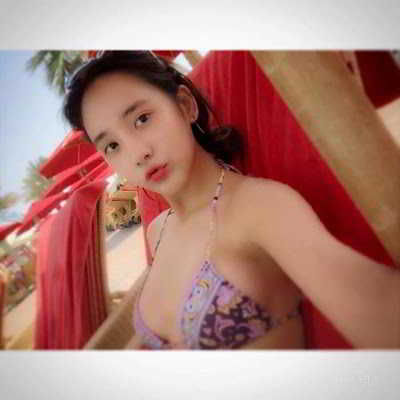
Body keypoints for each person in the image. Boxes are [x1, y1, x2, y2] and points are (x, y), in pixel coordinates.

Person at [63, 51, 399, 350]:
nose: (138, 153)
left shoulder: (257, 208)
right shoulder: (158, 231)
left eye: (142, 119)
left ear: (185, 106)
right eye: (112, 145)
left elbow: (375, 306)